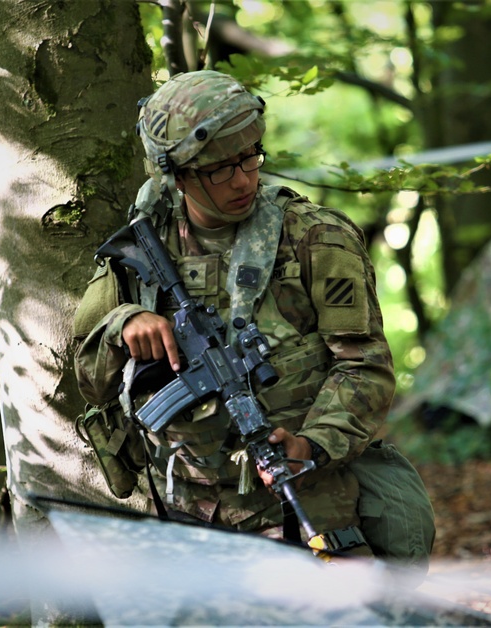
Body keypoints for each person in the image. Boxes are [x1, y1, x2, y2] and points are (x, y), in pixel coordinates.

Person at [72, 70, 400, 557]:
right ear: (178, 175)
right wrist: (123, 325)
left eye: (250, 158)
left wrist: (310, 444)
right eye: (220, 169)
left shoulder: (315, 238)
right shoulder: (143, 247)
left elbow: (364, 366)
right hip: (188, 509)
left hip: (302, 505)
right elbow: (86, 373)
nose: (244, 179)